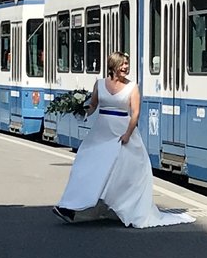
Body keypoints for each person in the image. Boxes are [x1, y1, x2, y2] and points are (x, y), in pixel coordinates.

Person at [53, 52, 193, 228]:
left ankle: (118, 207)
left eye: (127, 64)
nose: (126, 67)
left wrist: (128, 134)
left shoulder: (132, 87)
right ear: (113, 66)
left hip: (122, 134)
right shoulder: (100, 84)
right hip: (101, 133)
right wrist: (81, 109)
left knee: (120, 172)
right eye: (123, 64)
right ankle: (68, 206)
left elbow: (135, 113)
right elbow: (94, 105)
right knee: (85, 166)